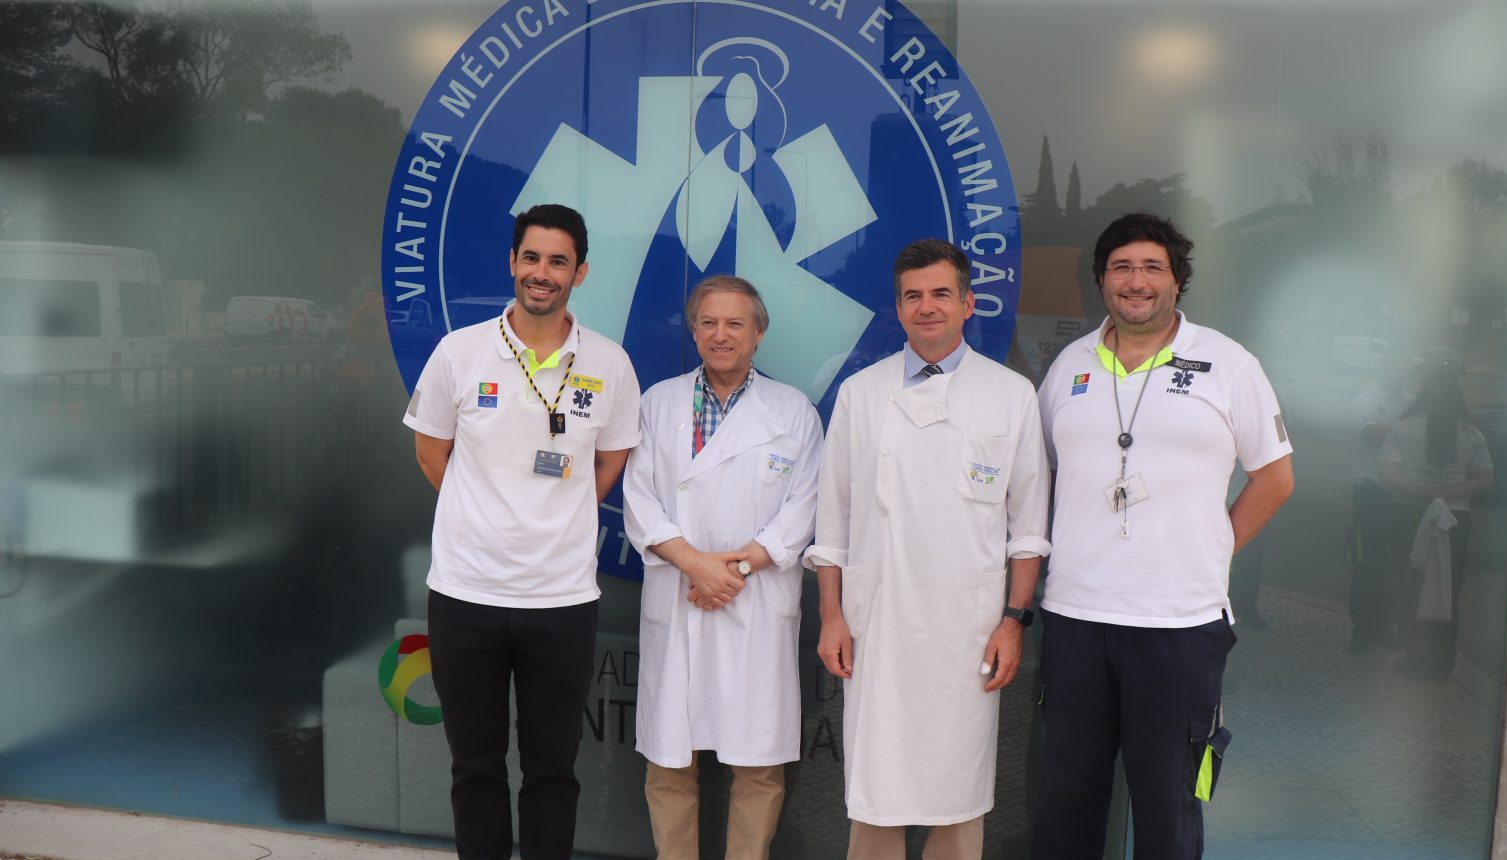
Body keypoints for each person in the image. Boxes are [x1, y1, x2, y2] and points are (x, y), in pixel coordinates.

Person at [1032, 213, 1294, 859]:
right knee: (1066, 799)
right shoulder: (1068, 365)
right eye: (1121, 267)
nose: (1136, 281)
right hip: (1075, 618)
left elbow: (1274, 479)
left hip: (1179, 625)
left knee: (1169, 804)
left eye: (1153, 267)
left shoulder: (1229, 364)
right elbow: (1044, 474)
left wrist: (1208, 549)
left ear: (1178, 281)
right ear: (1101, 280)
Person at [402, 203, 641, 860]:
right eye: (531, 257)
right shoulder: (460, 352)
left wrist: (552, 517)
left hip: (561, 602)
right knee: (475, 768)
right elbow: (431, 452)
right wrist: (485, 513)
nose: (542, 273)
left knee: (552, 771)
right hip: (466, 596)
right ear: (512, 262)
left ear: (580, 273)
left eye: (558, 261)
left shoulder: (610, 364)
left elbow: (611, 462)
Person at [806, 239, 1051, 860]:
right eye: (913, 296)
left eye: (942, 293)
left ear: (968, 304)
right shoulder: (861, 393)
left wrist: (1013, 621)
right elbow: (832, 525)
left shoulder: (1011, 394)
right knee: (878, 785)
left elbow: (1027, 531)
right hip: (878, 625)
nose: (927, 307)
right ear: (898, 308)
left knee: (957, 790)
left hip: (967, 632)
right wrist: (832, 616)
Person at [622, 274, 823, 859]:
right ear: (693, 330)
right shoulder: (657, 403)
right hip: (679, 594)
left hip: (753, 602)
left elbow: (805, 506)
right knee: (670, 761)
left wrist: (733, 571)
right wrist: (694, 564)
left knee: (758, 765)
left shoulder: (792, 411)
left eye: (736, 323)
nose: (721, 334)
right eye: (708, 322)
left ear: (758, 333)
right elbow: (639, 498)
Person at [1379, 360, 1493, 681]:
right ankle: (1443, 661)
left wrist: (1423, 491)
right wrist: (1447, 492)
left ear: (1424, 391)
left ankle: (1415, 657)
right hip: (1454, 517)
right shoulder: (1470, 432)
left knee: (1409, 584)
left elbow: (1387, 474)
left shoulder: (1404, 427)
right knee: (1448, 588)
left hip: (1409, 513)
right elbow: (1485, 478)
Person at [1347, 351, 1416, 653]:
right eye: (1396, 368)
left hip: (1402, 491)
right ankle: (1362, 630)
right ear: (1384, 370)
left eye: (1405, 369)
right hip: (1371, 489)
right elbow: (1370, 432)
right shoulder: (1365, 399)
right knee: (1368, 561)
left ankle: (1385, 627)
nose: (1401, 375)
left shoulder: (1411, 400)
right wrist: (1409, 432)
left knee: (1393, 562)